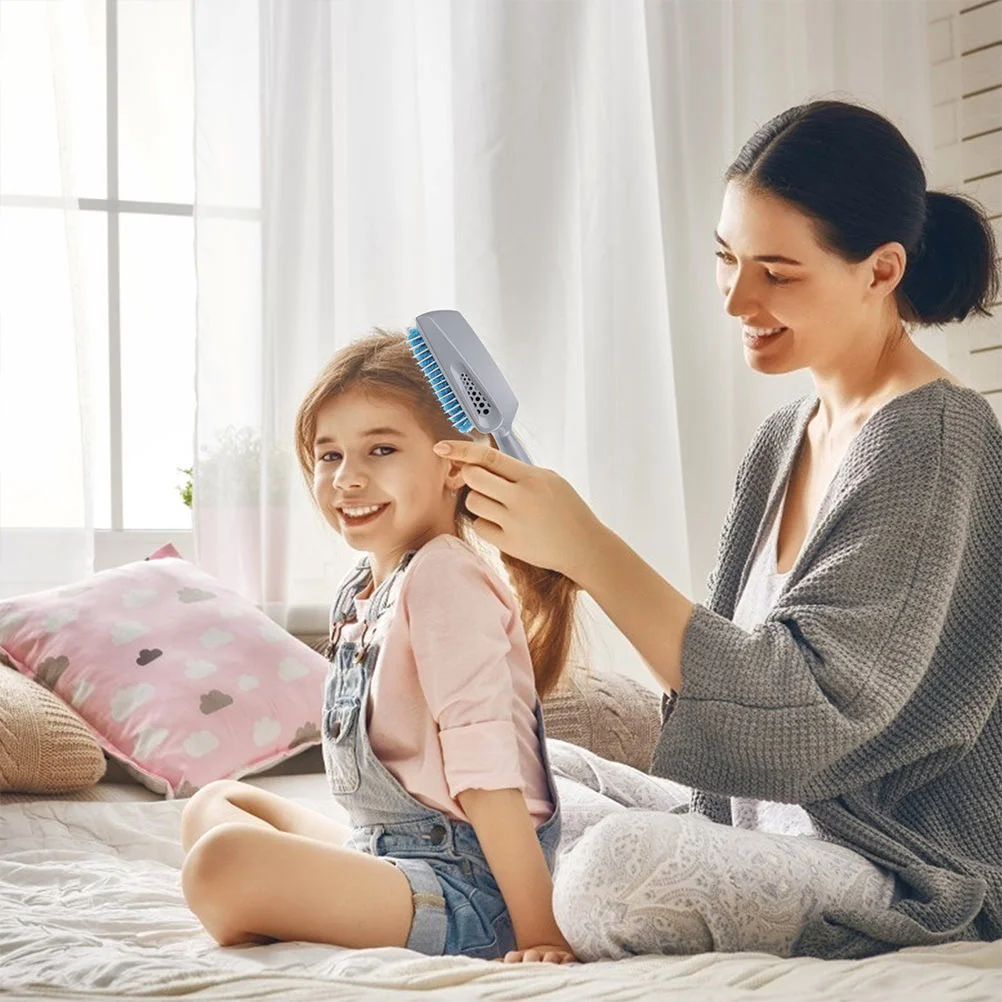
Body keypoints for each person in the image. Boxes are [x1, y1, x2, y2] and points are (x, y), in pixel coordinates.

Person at [433, 99, 1002, 961]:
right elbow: (725, 695)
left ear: (881, 271)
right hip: (753, 818)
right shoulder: (784, 437)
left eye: (777, 270)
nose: (739, 297)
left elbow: (807, 722)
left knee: (610, 867)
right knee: (533, 776)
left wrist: (589, 549)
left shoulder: (934, 440)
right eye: (726, 258)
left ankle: (508, 888)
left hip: (890, 859)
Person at [179, 331, 581, 963]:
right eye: (329, 455)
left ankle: (302, 903)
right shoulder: (367, 587)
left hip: (469, 891)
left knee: (219, 865)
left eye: (381, 449)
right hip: (389, 852)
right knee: (218, 804)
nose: (347, 478)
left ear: (455, 466)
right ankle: (319, 901)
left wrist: (538, 932)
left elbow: (485, 770)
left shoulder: (445, 574)